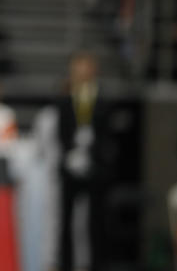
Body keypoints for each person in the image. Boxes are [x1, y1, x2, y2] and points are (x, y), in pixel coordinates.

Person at [56, 51, 112, 271]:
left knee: (97, 221)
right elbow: (61, 130)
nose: (81, 71)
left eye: (85, 66)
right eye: (77, 66)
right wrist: (70, 153)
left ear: (93, 69)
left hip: (96, 167)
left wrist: (94, 153)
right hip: (71, 165)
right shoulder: (65, 98)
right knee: (66, 221)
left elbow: (108, 135)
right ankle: (66, 264)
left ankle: (98, 264)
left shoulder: (103, 99)